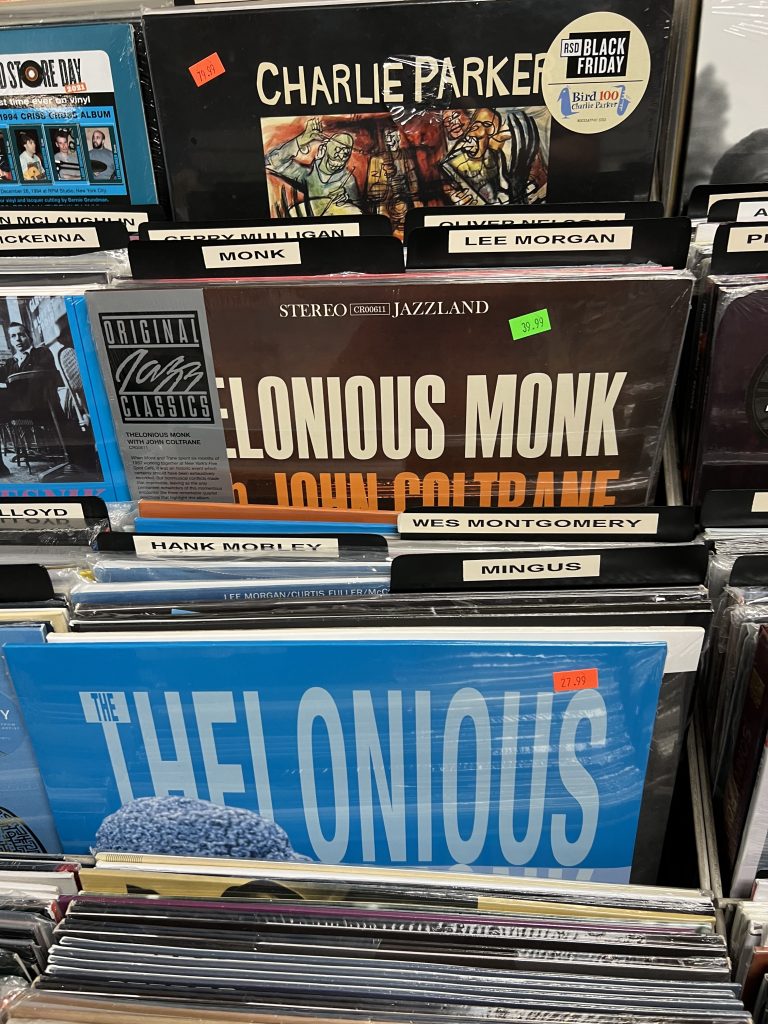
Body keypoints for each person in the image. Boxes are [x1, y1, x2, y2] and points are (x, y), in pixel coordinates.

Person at [266, 117, 361, 216]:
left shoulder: (348, 179)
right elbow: (271, 161)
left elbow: (359, 209)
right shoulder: (307, 174)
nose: (341, 156)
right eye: (337, 150)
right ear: (323, 149)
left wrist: (347, 200)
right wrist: (302, 139)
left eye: (345, 154)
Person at [0, 323, 57, 478]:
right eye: (13, 336)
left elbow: (39, 377)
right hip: (19, 410)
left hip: (43, 407)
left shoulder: (42, 353)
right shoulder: (10, 363)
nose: (18, 339)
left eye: (21, 334)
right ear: (10, 340)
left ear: (28, 336)